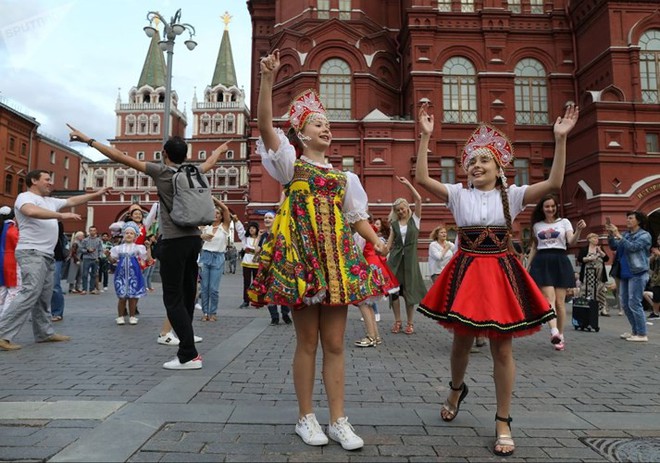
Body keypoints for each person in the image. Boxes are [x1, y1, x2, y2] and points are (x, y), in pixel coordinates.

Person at [414, 101, 579, 457]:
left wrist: (560, 140)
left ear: (500, 167)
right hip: (467, 272)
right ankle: (456, 388)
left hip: (501, 274)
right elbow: (422, 179)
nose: (476, 165)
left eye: (483, 160)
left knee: (501, 347)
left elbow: (555, 181)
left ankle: (503, 419)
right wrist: (425, 138)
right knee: (461, 342)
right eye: (471, 161)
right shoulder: (458, 194)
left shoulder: (514, 195)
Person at [247, 50, 389, 451]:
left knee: (337, 344)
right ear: (301, 134)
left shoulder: (345, 177)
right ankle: (306, 417)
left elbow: (356, 217)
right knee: (306, 342)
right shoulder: (290, 164)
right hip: (303, 263)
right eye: (317, 124)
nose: (326, 128)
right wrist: (268, 81)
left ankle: (339, 419)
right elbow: (264, 126)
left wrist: (377, 240)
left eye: (327, 124)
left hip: (337, 263)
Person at [67, 123, 229, 370]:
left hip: (173, 241)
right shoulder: (194, 170)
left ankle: (189, 355)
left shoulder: (161, 172)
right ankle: (186, 349)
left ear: (165, 153)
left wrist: (88, 140)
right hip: (195, 240)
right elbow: (210, 163)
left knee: (173, 299)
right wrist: (219, 150)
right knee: (186, 296)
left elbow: (119, 156)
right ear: (185, 155)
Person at [0, 170, 109, 351]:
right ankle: (3, 334)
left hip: (47, 254)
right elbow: (30, 211)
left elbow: (73, 201)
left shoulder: (50, 201)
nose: (51, 183)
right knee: (29, 292)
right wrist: (60, 215)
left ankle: (44, 333)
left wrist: (97, 194)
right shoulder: (24, 197)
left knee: (44, 296)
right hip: (31, 252)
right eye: (47, 179)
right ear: (34, 181)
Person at [527, 194, 586, 351]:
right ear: (542, 208)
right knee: (548, 299)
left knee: (560, 303)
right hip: (542, 260)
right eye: (547, 206)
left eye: (553, 206)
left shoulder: (564, 222)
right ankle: (553, 331)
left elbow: (571, 241)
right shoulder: (537, 225)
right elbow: (534, 247)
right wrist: (526, 266)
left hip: (560, 259)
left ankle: (560, 334)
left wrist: (579, 230)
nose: (550, 209)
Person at [386, 178, 427, 335]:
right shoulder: (394, 225)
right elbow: (388, 245)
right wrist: (378, 249)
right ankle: (398, 321)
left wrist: (407, 184)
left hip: (409, 261)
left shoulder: (415, 220)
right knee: (394, 292)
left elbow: (419, 199)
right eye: (398, 210)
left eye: (402, 209)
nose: (401, 212)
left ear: (407, 208)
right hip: (395, 261)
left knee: (409, 291)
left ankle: (410, 323)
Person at [606, 211, 652, 342]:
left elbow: (633, 247)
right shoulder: (626, 234)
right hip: (624, 273)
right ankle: (635, 331)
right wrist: (611, 235)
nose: (627, 220)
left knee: (634, 302)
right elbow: (614, 246)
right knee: (625, 304)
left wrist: (618, 235)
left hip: (637, 272)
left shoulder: (644, 235)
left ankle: (642, 334)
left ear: (639, 221)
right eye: (627, 218)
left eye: (631, 218)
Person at [353, 225, 399, 347]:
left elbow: (356, 253)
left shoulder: (360, 234)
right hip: (376, 266)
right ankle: (375, 336)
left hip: (367, 267)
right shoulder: (370, 232)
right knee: (367, 303)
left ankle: (371, 336)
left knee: (363, 302)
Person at [110, 222, 150, 325]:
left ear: (135, 236)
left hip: (134, 275)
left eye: (131, 233)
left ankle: (132, 316)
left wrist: (148, 247)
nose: (128, 235)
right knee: (122, 297)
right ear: (123, 234)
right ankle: (120, 316)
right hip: (121, 275)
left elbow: (146, 258)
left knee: (133, 297)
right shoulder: (118, 248)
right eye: (127, 233)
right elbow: (113, 261)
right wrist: (108, 256)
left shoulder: (138, 247)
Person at [257, 212, 292, 325]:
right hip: (266, 268)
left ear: (275, 220)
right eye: (265, 218)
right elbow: (257, 250)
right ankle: (274, 317)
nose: (267, 219)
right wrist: (258, 238)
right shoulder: (263, 236)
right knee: (269, 292)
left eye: (270, 218)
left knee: (283, 290)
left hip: (280, 267)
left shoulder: (281, 233)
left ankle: (285, 313)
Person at [199, 197, 231, 322]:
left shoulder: (225, 227)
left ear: (221, 216)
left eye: (217, 213)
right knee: (204, 287)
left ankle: (213, 312)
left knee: (214, 289)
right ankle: (205, 312)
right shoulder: (205, 227)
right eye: (213, 213)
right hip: (205, 256)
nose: (215, 215)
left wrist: (213, 199)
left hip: (218, 257)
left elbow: (226, 209)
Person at [577, 233, 610, 315]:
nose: (596, 240)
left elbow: (606, 259)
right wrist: (590, 258)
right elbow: (580, 259)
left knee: (601, 290)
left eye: (597, 238)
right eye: (595, 238)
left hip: (599, 273)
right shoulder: (585, 249)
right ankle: (587, 306)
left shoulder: (599, 248)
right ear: (589, 239)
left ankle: (602, 309)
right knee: (587, 290)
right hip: (588, 274)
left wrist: (601, 252)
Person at [235, 218, 261, 309]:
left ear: (257, 229)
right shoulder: (245, 238)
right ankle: (246, 301)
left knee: (256, 282)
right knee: (246, 282)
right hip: (246, 262)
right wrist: (237, 221)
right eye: (250, 228)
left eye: (253, 228)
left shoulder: (260, 238)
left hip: (257, 262)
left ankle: (256, 300)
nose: (251, 229)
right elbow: (240, 230)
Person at [0, 206, 20, 316]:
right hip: (11, 263)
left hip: (1, 263)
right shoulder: (12, 230)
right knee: (13, 291)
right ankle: (5, 319)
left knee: (1, 293)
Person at [49, 221, 68, 322]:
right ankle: (40, 313)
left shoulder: (57, 221)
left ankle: (57, 312)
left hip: (55, 257)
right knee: (38, 287)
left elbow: (56, 233)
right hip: (40, 256)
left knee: (54, 286)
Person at [79, 225, 103, 295]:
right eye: (91, 230)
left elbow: (100, 250)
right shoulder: (85, 240)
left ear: (96, 231)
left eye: (94, 230)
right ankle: (84, 289)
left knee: (94, 274)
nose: (92, 232)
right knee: (85, 274)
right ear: (89, 231)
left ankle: (92, 289)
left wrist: (99, 257)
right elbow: (81, 249)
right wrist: (87, 250)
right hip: (86, 258)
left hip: (95, 259)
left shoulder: (99, 240)